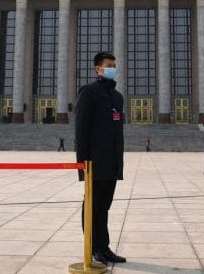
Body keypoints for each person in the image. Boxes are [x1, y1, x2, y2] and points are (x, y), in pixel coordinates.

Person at [75, 51, 126, 265]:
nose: (112, 68)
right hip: (94, 161)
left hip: (112, 162)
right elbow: (81, 129)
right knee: (92, 205)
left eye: (114, 65)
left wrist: (118, 163)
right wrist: (83, 163)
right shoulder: (89, 92)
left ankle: (104, 247)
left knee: (104, 206)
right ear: (98, 69)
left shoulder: (117, 97)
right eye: (108, 65)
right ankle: (93, 247)